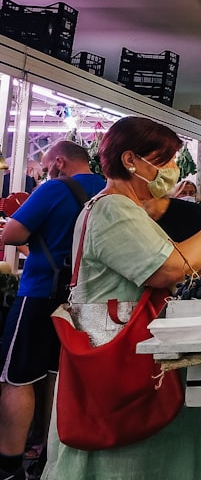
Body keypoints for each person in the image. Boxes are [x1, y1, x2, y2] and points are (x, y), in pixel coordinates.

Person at [41, 116, 201, 479]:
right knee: (119, 461)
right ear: (130, 160)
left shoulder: (125, 209)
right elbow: (169, 268)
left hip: (128, 356)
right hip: (119, 362)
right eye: (164, 160)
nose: (171, 170)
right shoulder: (112, 209)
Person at [0, 142, 104, 480]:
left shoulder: (53, 188)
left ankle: (9, 463)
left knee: (17, 377)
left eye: (46, 165)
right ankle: (49, 454)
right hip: (82, 299)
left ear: (58, 161)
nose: (45, 172)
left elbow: (12, 234)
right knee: (57, 377)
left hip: (40, 291)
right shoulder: (107, 190)